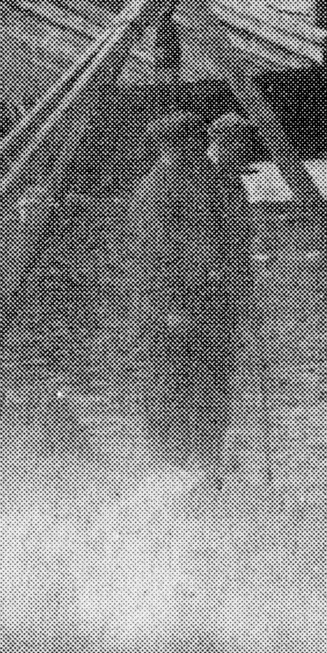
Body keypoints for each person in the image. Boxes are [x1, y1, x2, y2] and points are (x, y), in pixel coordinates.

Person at [125, 109, 259, 476]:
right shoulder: (157, 192)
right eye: (193, 145)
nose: (201, 151)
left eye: (200, 144)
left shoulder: (201, 185)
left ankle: (205, 464)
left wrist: (240, 297)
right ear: (171, 148)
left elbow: (228, 245)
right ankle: (171, 468)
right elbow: (153, 256)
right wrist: (170, 307)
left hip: (210, 304)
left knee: (212, 382)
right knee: (169, 385)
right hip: (171, 311)